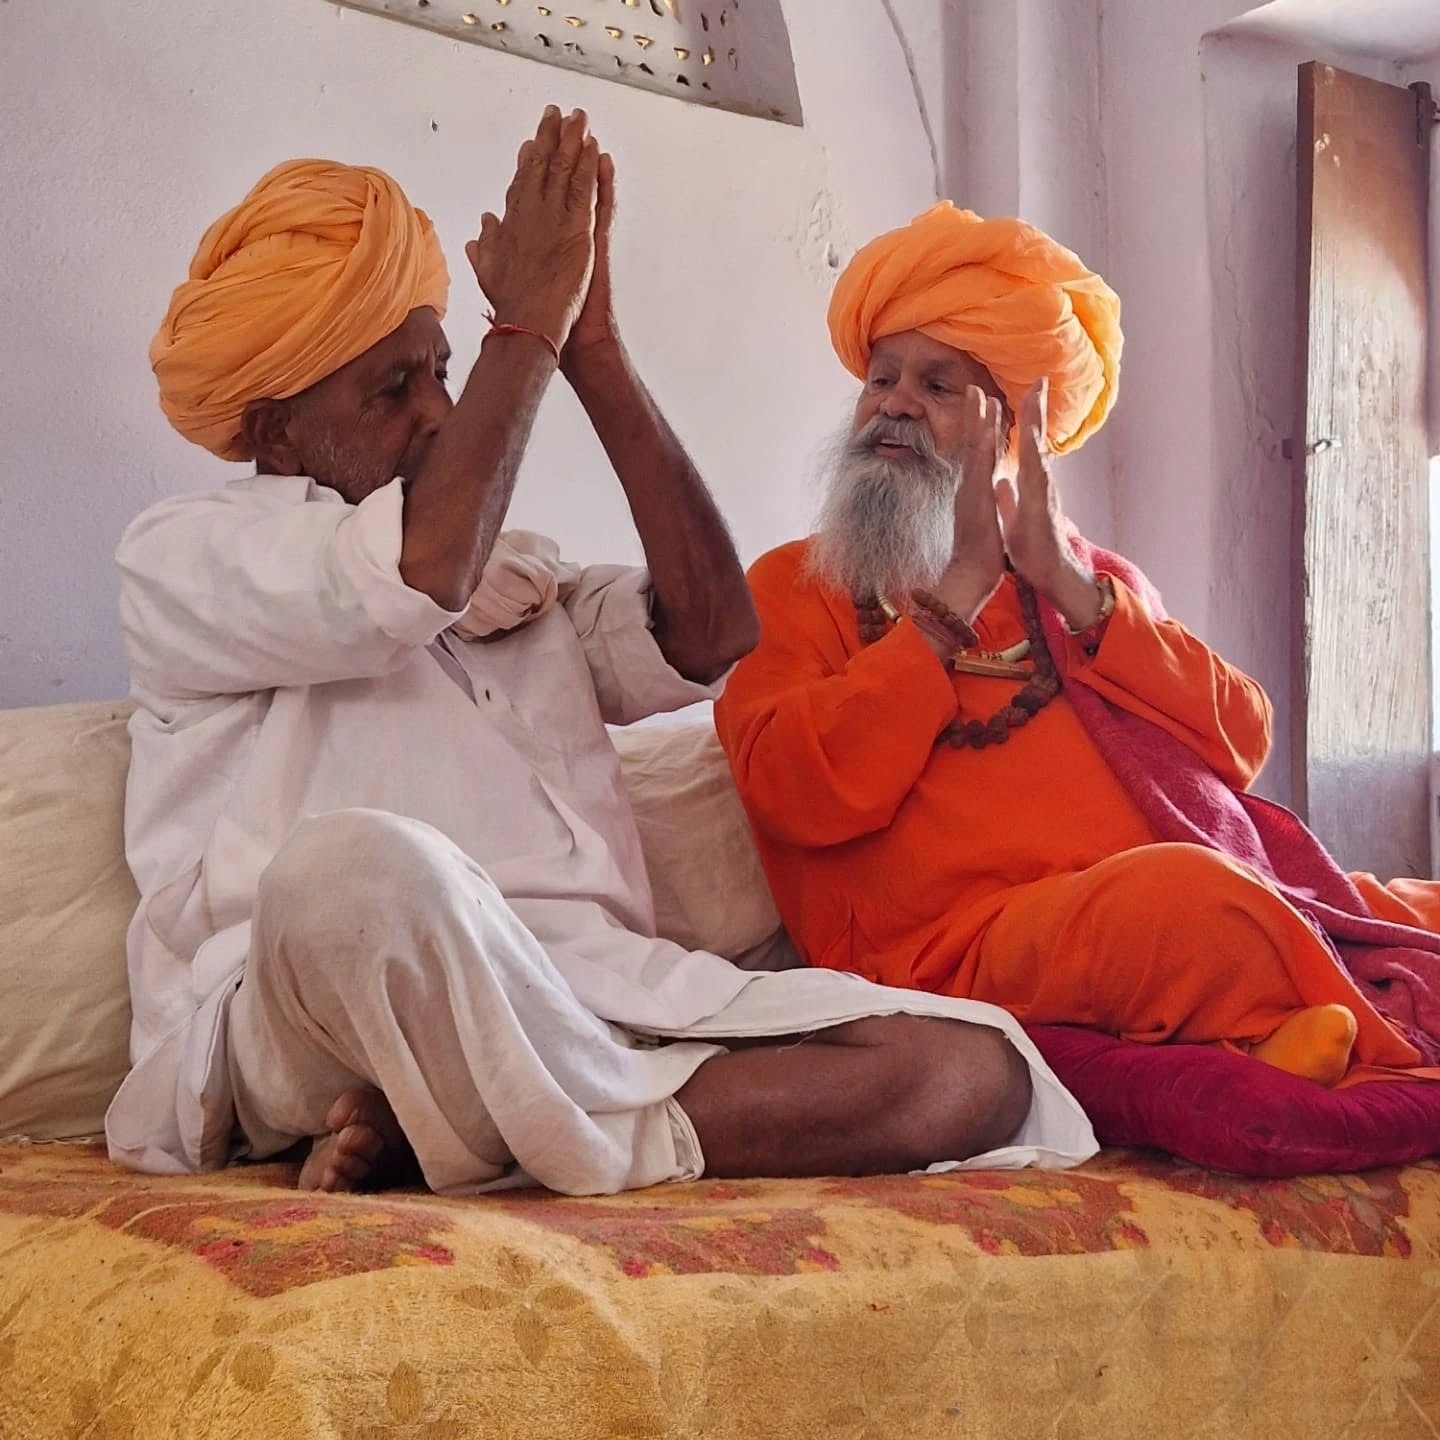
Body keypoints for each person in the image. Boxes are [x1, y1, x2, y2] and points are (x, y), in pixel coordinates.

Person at [109, 113, 1096, 1196]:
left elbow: (714, 631)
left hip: (589, 999)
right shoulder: (186, 558)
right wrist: (524, 330)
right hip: (309, 1004)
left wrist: (594, 351)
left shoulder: (513, 581)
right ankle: (541, 1120)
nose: (439, 413)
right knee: (353, 870)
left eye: (443, 371)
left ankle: (478, 1127)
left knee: (973, 1068)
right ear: (276, 431)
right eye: (395, 390)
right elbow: (417, 572)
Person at [715, 202, 1440, 1091]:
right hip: (952, 949)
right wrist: (951, 600)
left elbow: (1240, 736)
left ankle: (1273, 1027)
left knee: (1408, 910)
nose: (895, 404)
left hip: (1149, 896)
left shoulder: (1078, 582)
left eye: (938, 387)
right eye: (882, 379)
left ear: (1007, 435)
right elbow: (793, 792)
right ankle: (1306, 1046)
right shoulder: (797, 585)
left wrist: (1068, 584)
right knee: (1188, 903)